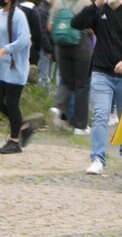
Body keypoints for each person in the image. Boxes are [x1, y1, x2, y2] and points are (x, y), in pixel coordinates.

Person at [71, 0, 122, 174]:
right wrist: (94, 6)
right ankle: (97, 157)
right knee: (100, 114)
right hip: (101, 72)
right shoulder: (98, 12)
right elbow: (75, 23)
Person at [49, 0, 92, 136]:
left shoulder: (57, 3)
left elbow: (50, 26)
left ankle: (57, 106)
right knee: (82, 85)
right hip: (80, 44)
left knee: (67, 80)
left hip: (61, 46)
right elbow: (91, 27)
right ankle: (80, 126)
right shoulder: (85, 3)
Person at [0, 0, 34, 154]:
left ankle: (14, 141)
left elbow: (23, 40)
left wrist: (5, 50)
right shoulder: (1, 14)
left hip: (16, 67)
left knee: (11, 103)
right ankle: (23, 125)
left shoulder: (19, 16)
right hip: (2, 67)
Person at [37, 0, 53, 89]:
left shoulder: (47, 9)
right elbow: (42, 31)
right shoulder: (43, 10)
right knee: (43, 75)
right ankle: (41, 96)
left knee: (47, 76)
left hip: (49, 46)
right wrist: (49, 48)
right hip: (45, 47)